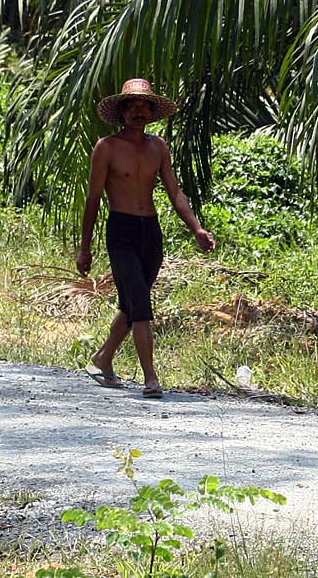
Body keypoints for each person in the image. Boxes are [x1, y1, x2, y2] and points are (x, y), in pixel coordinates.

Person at [76, 77, 215, 397]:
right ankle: (151, 378)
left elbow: (175, 192)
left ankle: (103, 357)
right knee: (141, 303)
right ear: (122, 111)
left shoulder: (158, 147)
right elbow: (93, 198)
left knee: (132, 303)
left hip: (150, 233)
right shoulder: (107, 147)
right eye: (133, 105)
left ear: (151, 112)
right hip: (121, 230)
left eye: (144, 106)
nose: (139, 111)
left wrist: (197, 228)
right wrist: (85, 248)